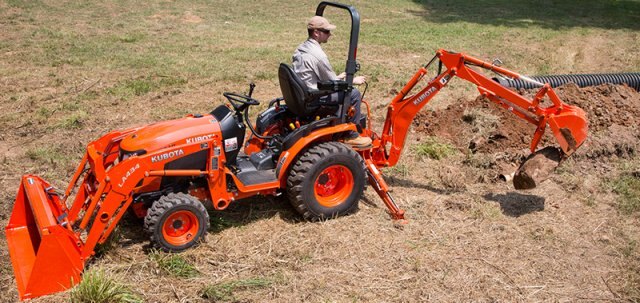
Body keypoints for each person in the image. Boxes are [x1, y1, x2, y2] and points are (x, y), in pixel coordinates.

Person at [292, 15, 372, 148]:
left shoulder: (301, 49)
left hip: (303, 93)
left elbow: (320, 77)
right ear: (316, 33)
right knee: (354, 94)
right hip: (314, 97)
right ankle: (351, 136)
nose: (330, 34)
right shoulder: (318, 55)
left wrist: (339, 77)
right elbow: (334, 84)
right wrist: (352, 81)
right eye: (327, 31)